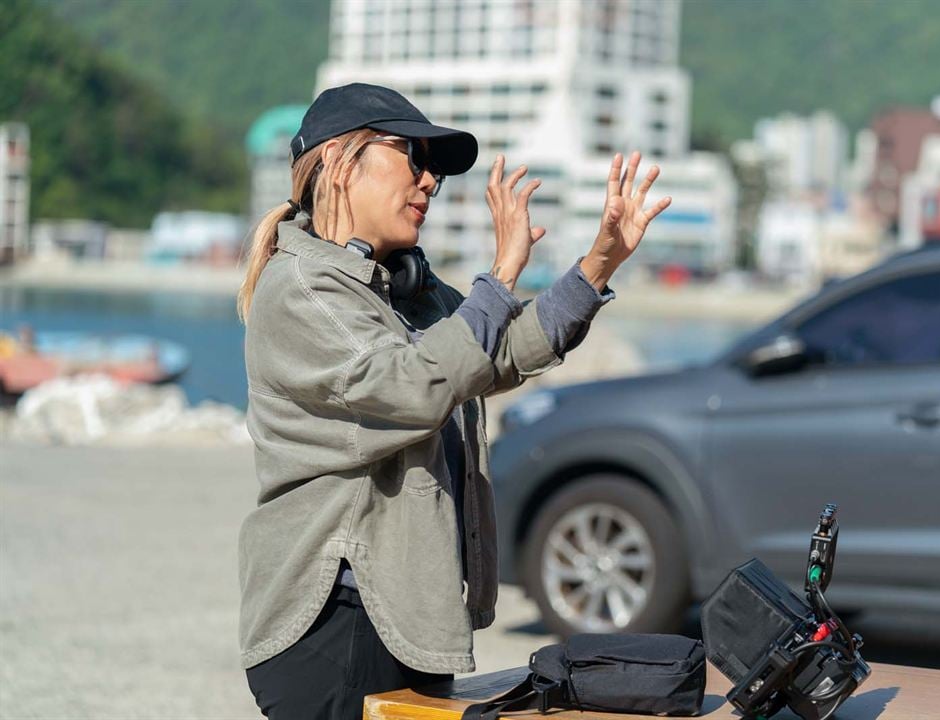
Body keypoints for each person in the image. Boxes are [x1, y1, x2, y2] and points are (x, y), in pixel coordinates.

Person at [237, 83, 671, 719]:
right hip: (335, 618)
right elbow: (413, 386)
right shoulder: (302, 287)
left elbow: (492, 353)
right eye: (412, 156)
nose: (429, 180)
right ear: (337, 161)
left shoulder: (402, 285)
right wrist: (497, 276)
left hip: (403, 611)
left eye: (434, 167)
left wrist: (599, 263)